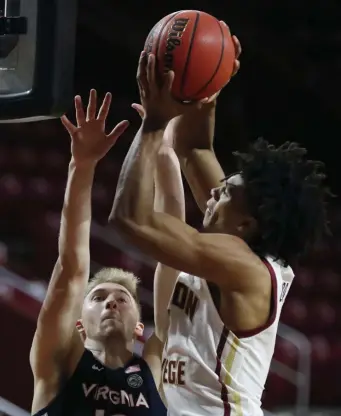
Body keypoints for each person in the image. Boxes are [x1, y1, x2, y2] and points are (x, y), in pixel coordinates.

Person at [109, 36, 330, 415]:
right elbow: (195, 149)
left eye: (225, 194)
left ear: (246, 224)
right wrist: (208, 86)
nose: (213, 194)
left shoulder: (244, 268)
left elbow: (130, 219)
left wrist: (153, 124)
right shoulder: (242, 242)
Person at [29, 90, 167, 415]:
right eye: (98, 297)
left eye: (122, 298)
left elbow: (171, 257)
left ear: (139, 328)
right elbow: (71, 268)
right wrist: (83, 165)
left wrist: (159, 143)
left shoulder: (153, 372)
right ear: (79, 324)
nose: (111, 302)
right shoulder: (59, 363)